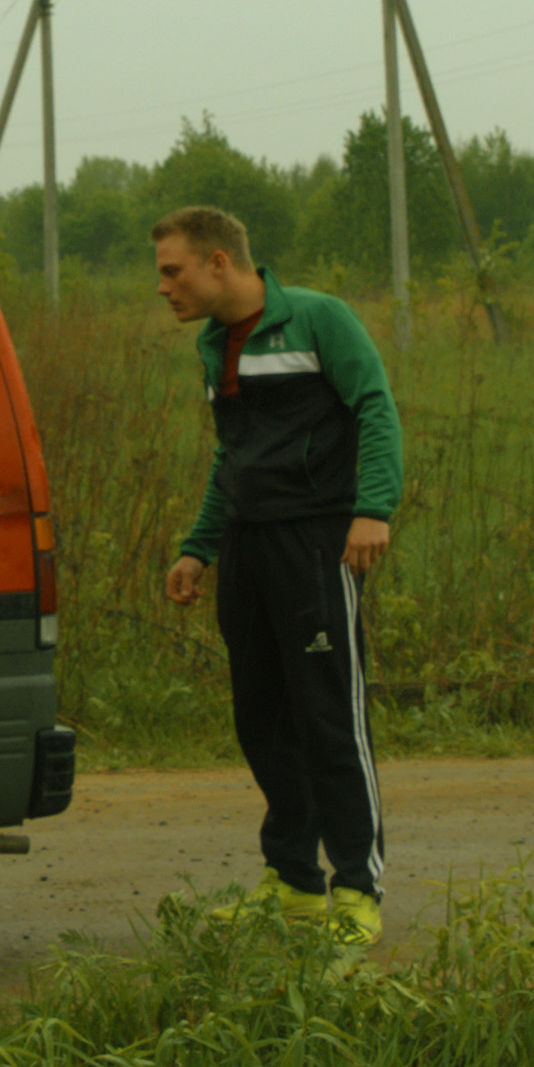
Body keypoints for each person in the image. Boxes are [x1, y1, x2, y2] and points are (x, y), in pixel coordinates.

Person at [153, 205, 400, 945]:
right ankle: (295, 883)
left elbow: (376, 408)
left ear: (218, 261)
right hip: (247, 547)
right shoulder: (214, 344)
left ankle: (357, 889)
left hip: (317, 543)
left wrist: (372, 509)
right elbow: (232, 456)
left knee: (328, 718)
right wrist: (200, 547)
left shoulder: (319, 319)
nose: (163, 287)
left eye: (173, 271)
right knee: (261, 720)